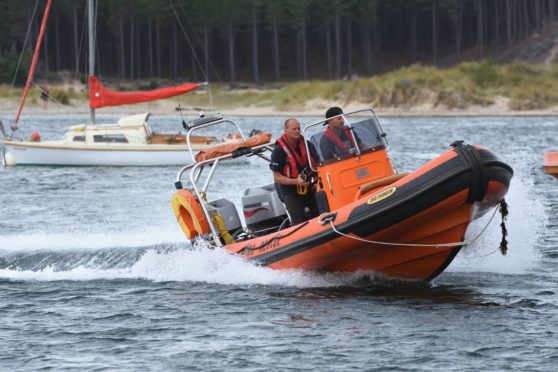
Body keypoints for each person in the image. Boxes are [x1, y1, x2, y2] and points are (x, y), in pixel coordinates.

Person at [270, 118, 318, 225]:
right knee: (298, 219)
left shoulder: (307, 145)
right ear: (286, 131)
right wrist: (297, 181)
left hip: (309, 185)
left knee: (321, 206)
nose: (297, 131)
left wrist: (316, 183)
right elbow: (276, 177)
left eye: (299, 128)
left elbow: (318, 166)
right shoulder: (278, 151)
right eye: (294, 129)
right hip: (289, 190)